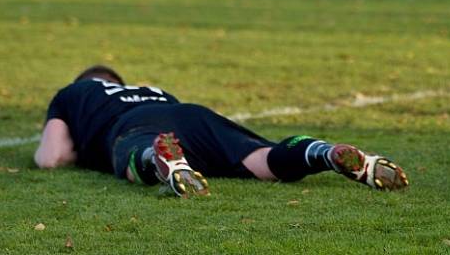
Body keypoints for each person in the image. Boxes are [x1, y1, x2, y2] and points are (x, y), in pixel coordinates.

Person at [35, 65, 409, 198]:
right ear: (120, 80)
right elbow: (181, 121)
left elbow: (53, 157)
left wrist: (84, 150)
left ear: (85, 81)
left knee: (134, 156)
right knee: (262, 161)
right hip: (189, 114)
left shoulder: (74, 93)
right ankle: (323, 153)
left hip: (134, 127)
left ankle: (158, 160)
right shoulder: (154, 88)